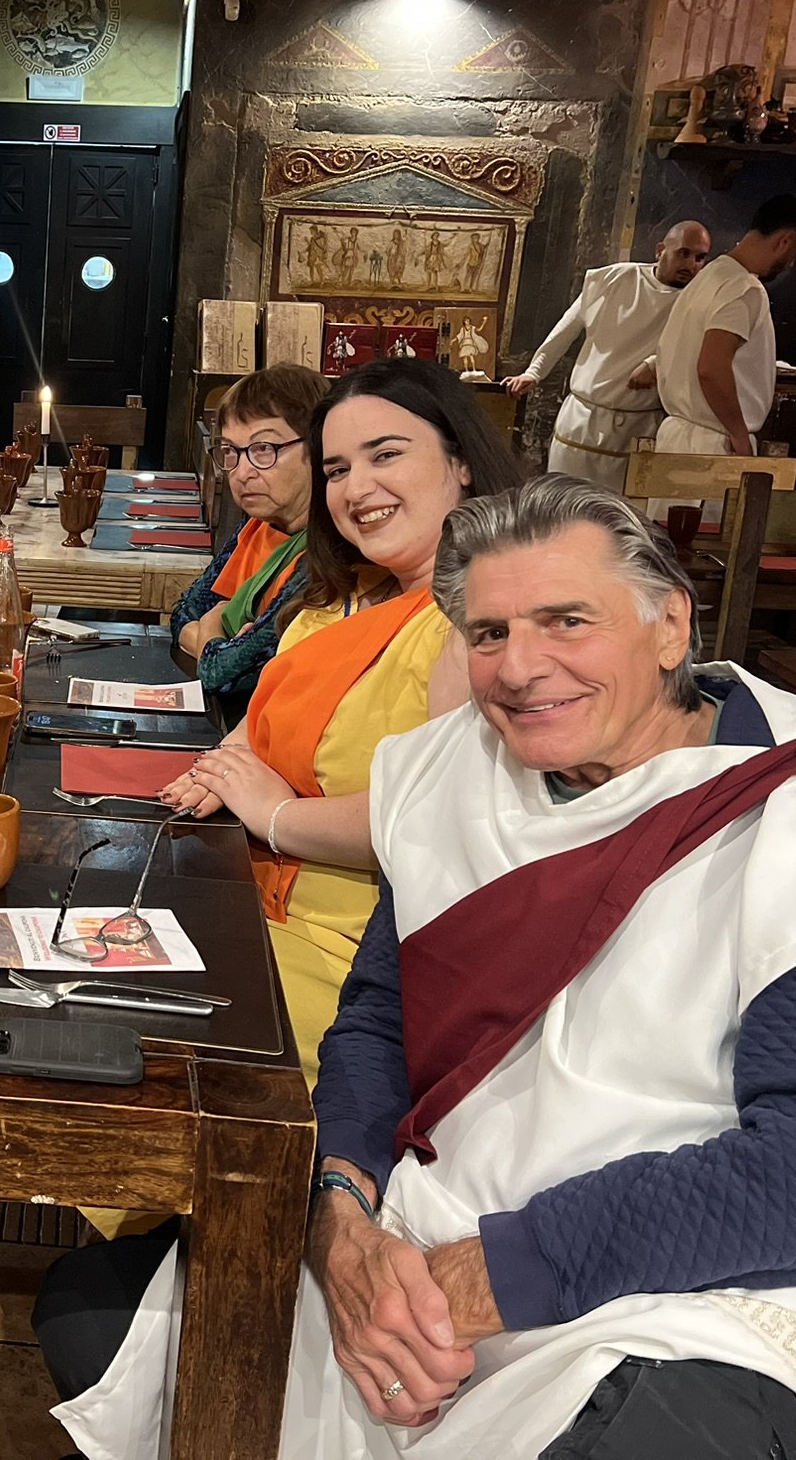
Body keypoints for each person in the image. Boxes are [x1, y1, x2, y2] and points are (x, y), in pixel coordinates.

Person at [37, 475, 796, 1460]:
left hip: (688, 1294)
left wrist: (476, 1280)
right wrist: (339, 1219)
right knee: (94, 1315)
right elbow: (378, 1014)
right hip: (436, 1210)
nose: (520, 667)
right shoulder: (457, 769)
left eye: (565, 621)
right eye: (490, 632)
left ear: (667, 623)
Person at [161, 359, 525, 1083]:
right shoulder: (341, 595)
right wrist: (225, 764)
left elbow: (437, 826)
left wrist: (275, 813)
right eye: (337, 468)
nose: (357, 489)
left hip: (352, 954)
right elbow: (259, 714)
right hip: (247, 894)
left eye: (386, 455)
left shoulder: (475, 625)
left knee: (132, 1045)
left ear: (460, 461)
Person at [504, 220, 711, 491]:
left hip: (638, 428)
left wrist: (656, 363)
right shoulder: (616, 279)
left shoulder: (700, 301)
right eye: (684, 253)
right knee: (564, 507)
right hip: (584, 420)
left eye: (700, 258)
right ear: (660, 250)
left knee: (619, 521)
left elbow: (703, 350)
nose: (691, 264)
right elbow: (568, 326)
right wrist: (534, 371)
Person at [169, 365, 322, 712]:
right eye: (231, 451)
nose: (242, 471)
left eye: (264, 448)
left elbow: (222, 674)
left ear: (317, 446)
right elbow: (182, 610)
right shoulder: (258, 524)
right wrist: (213, 633)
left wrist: (208, 627)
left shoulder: (324, 553)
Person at [656, 194, 796, 462]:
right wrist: (739, 434)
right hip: (712, 446)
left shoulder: (710, 274)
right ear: (785, 240)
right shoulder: (744, 288)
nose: (791, 263)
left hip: (676, 438)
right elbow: (711, 367)